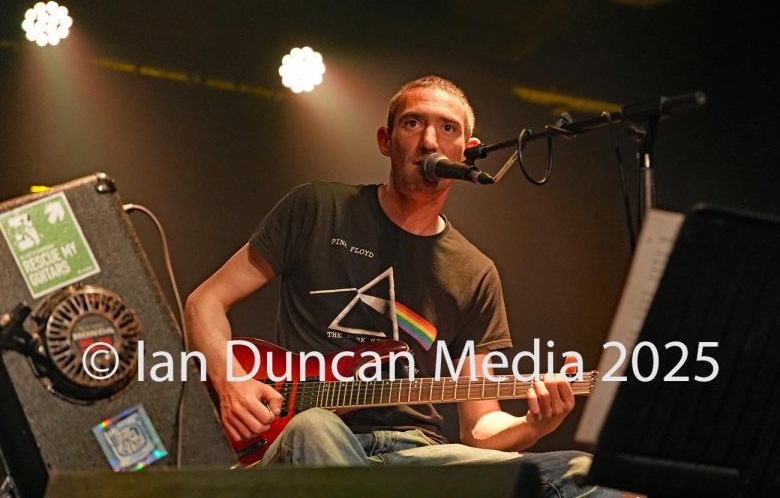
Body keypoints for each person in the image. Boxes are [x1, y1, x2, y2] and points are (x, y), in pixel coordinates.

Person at [185, 76, 621, 497]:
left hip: (419, 456)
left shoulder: (476, 271)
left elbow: (478, 426)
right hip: (307, 440)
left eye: (447, 128)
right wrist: (231, 381)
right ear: (385, 140)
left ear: (468, 153)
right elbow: (204, 302)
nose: (430, 140)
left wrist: (534, 425)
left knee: (583, 474)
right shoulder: (316, 208)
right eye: (414, 123)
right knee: (315, 426)